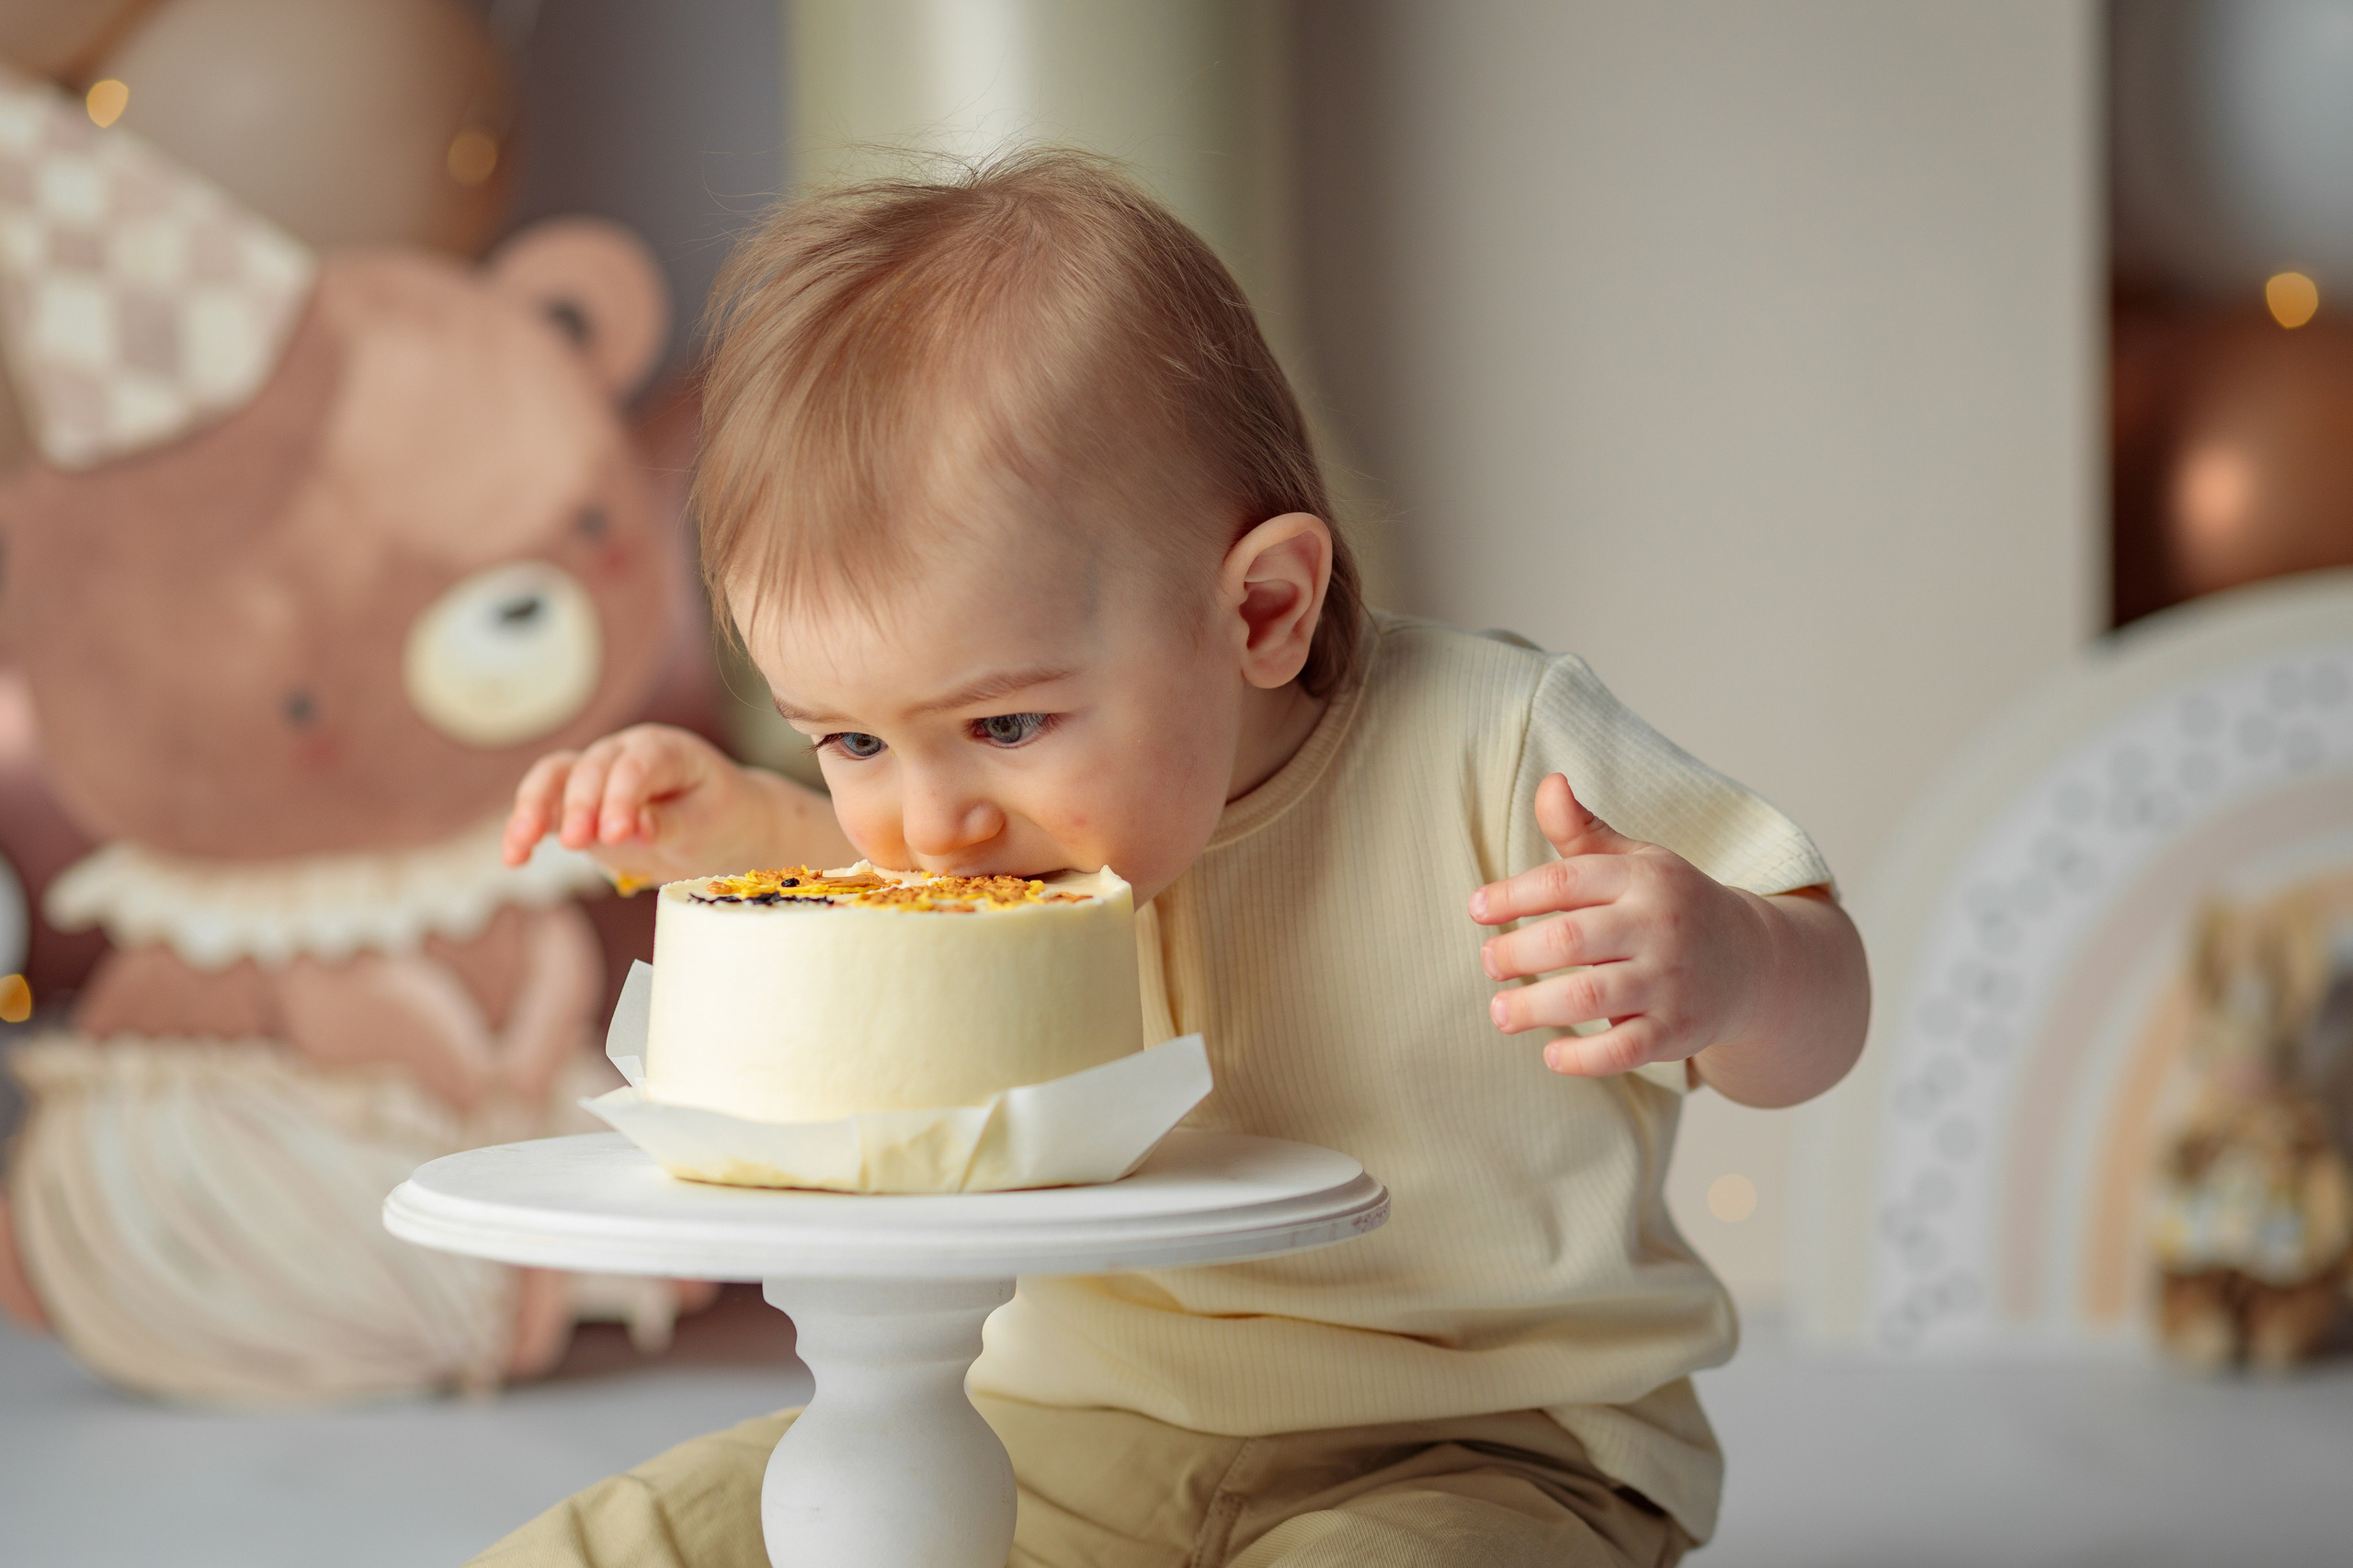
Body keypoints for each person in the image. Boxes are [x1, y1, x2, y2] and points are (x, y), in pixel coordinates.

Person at [484, 150, 1869, 1568]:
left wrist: (1740, 965)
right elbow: (883, 930)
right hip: (1056, 1430)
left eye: (1006, 721)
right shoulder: (984, 825)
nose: (932, 828)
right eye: (849, 745)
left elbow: (1822, 1005)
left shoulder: (1501, 748)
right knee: (654, 1531)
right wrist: (732, 830)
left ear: (1263, 609)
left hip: (1485, 1442)